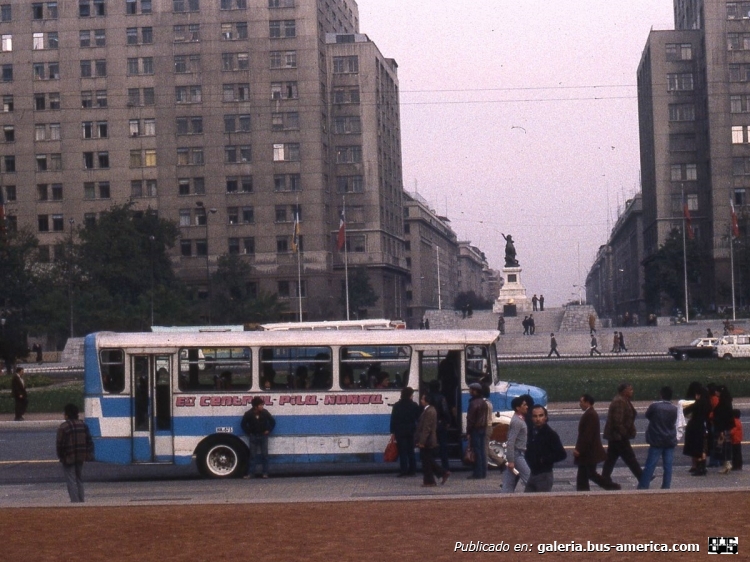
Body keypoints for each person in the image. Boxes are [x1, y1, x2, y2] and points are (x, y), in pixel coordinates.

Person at [574, 394, 619, 491]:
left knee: (589, 474)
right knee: (586, 474)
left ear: (587, 402)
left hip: (589, 452)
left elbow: (587, 435)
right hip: (589, 452)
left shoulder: (590, 415)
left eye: (581, 402)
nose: (580, 404)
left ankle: (611, 486)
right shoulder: (591, 413)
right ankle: (583, 491)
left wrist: (579, 449)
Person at [602, 382, 643, 486]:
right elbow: (617, 421)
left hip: (617, 436)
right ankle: (642, 477)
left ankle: (604, 478)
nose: (632, 391)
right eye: (630, 389)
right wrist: (624, 433)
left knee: (611, 459)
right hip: (618, 436)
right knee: (630, 458)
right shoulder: (619, 402)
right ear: (625, 391)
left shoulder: (624, 400)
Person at [638, 386, 678, 489]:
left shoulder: (655, 406)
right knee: (668, 466)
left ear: (661, 395)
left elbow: (648, 415)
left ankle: (643, 486)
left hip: (656, 438)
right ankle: (666, 486)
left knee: (650, 465)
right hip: (669, 439)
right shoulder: (674, 409)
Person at [56, 403, 94, 503]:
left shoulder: (63, 427)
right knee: (79, 479)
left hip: (68, 456)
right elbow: (89, 441)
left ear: (67, 415)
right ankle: (81, 500)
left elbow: (60, 444)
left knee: (71, 480)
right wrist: (88, 454)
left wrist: (61, 456)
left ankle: (75, 501)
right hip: (81, 456)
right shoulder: (83, 425)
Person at [524, 405, 567, 492]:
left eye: (541, 415)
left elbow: (562, 454)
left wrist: (544, 459)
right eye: (535, 416)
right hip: (532, 473)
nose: (538, 419)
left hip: (544, 475)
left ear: (545, 417)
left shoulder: (550, 434)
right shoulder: (532, 432)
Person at [415, 394, 450, 487]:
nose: (421, 400)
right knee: (428, 460)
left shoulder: (429, 411)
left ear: (427, 400)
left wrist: (422, 441)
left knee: (426, 461)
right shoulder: (429, 410)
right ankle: (441, 473)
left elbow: (427, 428)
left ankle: (430, 480)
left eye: (422, 399)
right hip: (428, 439)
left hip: (428, 440)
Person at [389, 387, 421, 477]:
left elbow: (393, 419)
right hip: (411, 430)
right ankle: (412, 470)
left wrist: (392, 432)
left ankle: (403, 471)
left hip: (400, 431)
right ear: (410, 395)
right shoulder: (414, 405)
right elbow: (418, 418)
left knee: (402, 452)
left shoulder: (397, 405)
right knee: (411, 451)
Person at [241, 397, 276, 479]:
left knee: (265, 455)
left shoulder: (265, 412)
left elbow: (272, 422)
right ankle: (251, 473)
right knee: (253, 456)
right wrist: (249, 432)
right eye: (260, 405)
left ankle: (265, 473)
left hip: (263, 436)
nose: (262, 406)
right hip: (253, 436)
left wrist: (268, 430)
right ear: (255, 406)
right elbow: (243, 424)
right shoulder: (248, 414)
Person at [502, 396, 530, 493]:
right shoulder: (517, 421)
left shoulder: (518, 419)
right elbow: (511, 441)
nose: (527, 407)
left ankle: (504, 499)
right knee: (529, 478)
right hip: (517, 455)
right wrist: (511, 460)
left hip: (517, 454)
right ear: (518, 408)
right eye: (524, 405)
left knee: (508, 484)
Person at [682, 381, 710, 476]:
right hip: (705, 426)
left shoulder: (697, 404)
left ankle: (699, 468)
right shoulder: (707, 404)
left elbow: (685, 411)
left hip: (696, 427)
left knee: (696, 447)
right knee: (703, 448)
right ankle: (703, 467)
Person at [466, 383, 488, 479]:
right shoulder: (483, 402)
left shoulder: (473, 403)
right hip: (482, 428)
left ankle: (477, 473)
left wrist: (468, 431)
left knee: (477, 451)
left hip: (475, 429)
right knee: (482, 451)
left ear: (475, 391)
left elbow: (470, 419)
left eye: (471, 390)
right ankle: (483, 472)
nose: (470, 391)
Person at [428, 380, 451, 471]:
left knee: (430, 446)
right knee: (443, 446)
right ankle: (445, 467)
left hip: (430, 424)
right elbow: (445, 411)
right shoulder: (441, 397)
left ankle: (432, 466)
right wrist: (448, 421)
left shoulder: (427, 397)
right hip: (440, 424)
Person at [713, 385, 735, 474]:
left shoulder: (722, 403)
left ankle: (726, 464)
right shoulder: (727, 402)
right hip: (728, 427)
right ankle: (727, 464)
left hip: (723, 428)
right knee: (727, 446)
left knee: (723, 447)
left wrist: (720, 429)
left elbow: (721, 417)